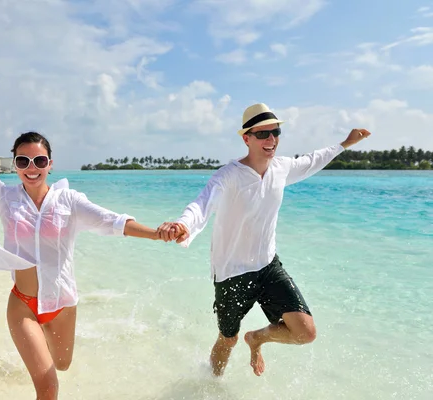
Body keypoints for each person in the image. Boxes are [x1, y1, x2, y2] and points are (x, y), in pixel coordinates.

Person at [0, 118, 164, 400]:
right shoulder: (4, 197)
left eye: (39, 160)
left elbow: (113, 222)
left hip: (62, 304)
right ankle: (35, 350)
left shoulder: (69, 201)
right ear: (14, 165)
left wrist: (156, 234)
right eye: (23, 161)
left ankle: (40, 352)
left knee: (62, 364)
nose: (31, 168)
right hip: (23, 304)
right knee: (48, 388)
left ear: (50, 164)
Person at [157, 103, 371, 377]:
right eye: (262, 134)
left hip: (268, 266)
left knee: (305, 333)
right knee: (228, 339)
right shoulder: (229, 175)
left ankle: (257, 338)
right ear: (246, 138)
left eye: (275, 132)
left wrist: (345, 143)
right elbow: (201, 204)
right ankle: (210, 386)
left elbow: (313, 160)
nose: (271, 140)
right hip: (231, 274)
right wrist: (182, 225)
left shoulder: (281, 168)